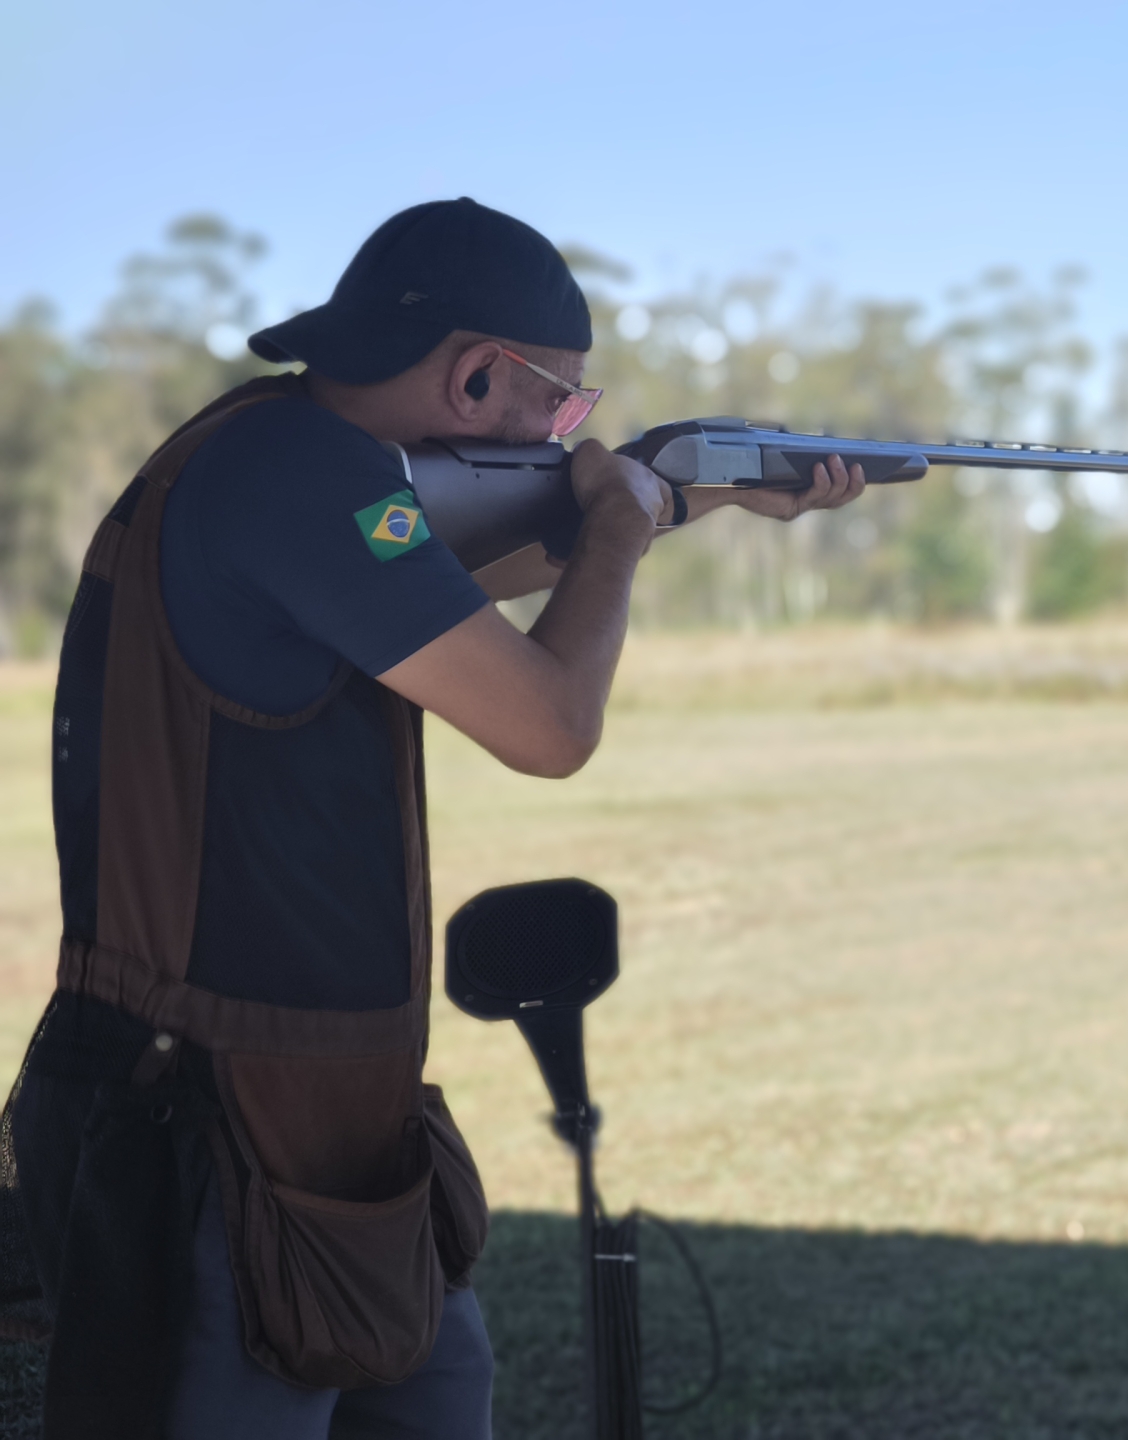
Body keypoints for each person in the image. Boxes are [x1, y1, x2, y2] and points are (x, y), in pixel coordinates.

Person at [0, 197, 863, 1437]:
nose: (562, 435)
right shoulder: (302, 477)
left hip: (325, 1113)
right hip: (207, 1125)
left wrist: (693, 497)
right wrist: (622, 528)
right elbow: (550, 727)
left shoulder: (291, 458)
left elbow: (460, 574)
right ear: (474, 376)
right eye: (557, 404)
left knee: (446, 1393)